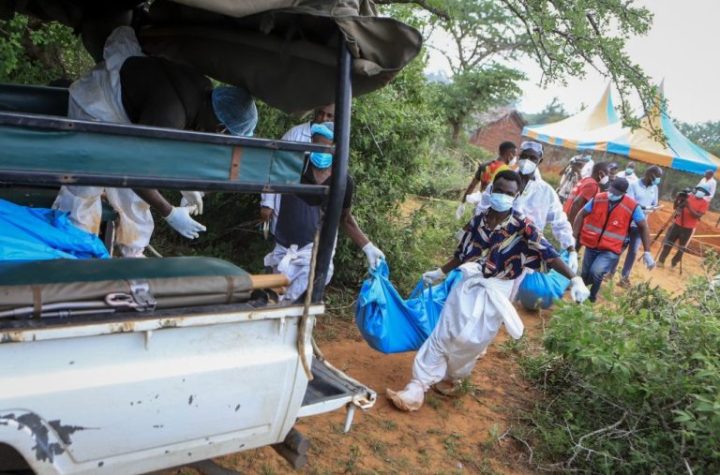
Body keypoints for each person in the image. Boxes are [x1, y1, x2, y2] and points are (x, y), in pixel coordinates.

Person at [386, 170, 590, 412]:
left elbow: (549, 254)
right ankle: (416, 387)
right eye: (500, 190)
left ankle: (453, 375)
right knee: (444, 333)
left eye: (509, 193)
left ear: (516, 197)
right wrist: (441, 272)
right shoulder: (478, 220)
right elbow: (461, 253)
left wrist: (575, 278)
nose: (503, 196)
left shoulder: (524, 227)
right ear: (491, 191)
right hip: (468, 283)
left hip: (497, 291)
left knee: (472, 340)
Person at [53, 26, 257, 257]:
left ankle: (133, 254)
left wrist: (186, 182)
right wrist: (169, 212)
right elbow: (133, 170)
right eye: (227, 137)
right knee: (86, 187)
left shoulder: (204, 94)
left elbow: (171, 148)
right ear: (221, 128)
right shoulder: (171, 113)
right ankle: (70, 252)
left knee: (135, 198)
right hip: (96, 105)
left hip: (129, 115)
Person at [262, 123, 384, 302]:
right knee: (273, 299)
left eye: (325, 147)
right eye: (315, 145)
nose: (320, 152)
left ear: (336, 148)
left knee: (302, 303)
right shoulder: (296, 167)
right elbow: (268, 175)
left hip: (314, 249)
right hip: (284, 245)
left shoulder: (342, 181)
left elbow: (345, 218)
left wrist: (368, 246)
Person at [475, 141, 579, 274]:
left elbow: (560, 222)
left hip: (523, 255)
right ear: (518, 156)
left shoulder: (546, 192)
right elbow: (482, 209)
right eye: (524, 156)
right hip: (492, 246)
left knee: (507, 288)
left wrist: (571, 250)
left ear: (539, 161)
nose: (527, 161)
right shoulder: (502, 182)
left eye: (533, 158)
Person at [572, 177, 655, 302]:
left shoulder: (632, 206)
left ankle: (590, 299)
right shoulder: (599, 198)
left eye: (616, 193)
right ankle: (580, 301)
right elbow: (581, 214)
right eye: (611, 191)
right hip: (592, 244)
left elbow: (643, 227)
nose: (612, 194)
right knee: (585, 274)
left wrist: (647, 252)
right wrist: (574, 236)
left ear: (623, 193)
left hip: (611, 248)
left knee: (596, 271)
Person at [260, 105, 335, 233]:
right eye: (320, 113)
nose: (323, 118)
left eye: (329, 116)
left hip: (315, 210)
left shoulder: (337, 140)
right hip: (287, 203)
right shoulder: (295, 134)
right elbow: (275, 165)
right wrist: (267, 203)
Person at [618, 166, 663, 286]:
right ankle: (609, 272)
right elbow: (630, 203)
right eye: (657, 176)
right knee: (619, 248)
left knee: (633, 252)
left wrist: (654, 208)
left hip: (640, 225)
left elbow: (654, 204)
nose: (658, 179)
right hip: (628, 222)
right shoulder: (633, 185)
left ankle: (624, 278)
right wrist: (644, 208)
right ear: (649, 174)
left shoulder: (655, 188)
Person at [658, 184, 710, 268]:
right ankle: (661, 261)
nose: (700, 192)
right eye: (699, 189)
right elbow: (676, 207)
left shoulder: (704, 203)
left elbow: (697, 216)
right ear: (696, 190)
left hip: (688, 228)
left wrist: (688, 206)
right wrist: (678, 200)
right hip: (677, 224)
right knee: (668, 243)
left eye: (703, 191)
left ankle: (674, 263)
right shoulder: (689, 197)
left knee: (681, 248)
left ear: (705, 194)